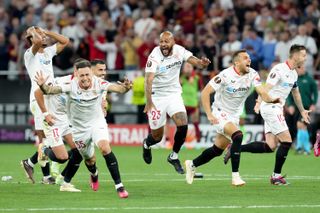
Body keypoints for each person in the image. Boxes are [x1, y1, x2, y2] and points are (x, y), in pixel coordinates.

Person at [35, 60, 132, 198]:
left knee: (105, 148)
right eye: (82, 76)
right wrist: (42, 85)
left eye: (87, 74)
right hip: (79, 130)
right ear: (77, 75)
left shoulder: (99, 83)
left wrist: (126, 88)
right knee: (90, 160)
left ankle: (119, 186)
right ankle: (94, 173)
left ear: (91, 74)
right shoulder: (70, 86)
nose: (85, 78)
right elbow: (49, 90)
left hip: (97, 123)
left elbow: (118, 89)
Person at [184, 49, 280, 185]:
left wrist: (270, 99)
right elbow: (205, 92)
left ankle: (192, 164)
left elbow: (261, 91)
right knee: (238, 136)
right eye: (245, 58)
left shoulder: (252, 74)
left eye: (249, 58)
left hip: (234, 115)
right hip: (219, 111)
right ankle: (235, 176)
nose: (249, 60)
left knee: (217, 150)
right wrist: (209, 115)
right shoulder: (224, 75)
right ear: (237, 62)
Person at [224, 45, 311, 185]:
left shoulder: (294, 73)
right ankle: (276, 176)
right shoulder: (279, 70)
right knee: (287, 141)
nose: (305, 58)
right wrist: (258, 103)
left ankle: (236, 147)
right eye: (303, 55)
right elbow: (265, 88)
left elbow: (296, 93)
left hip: (275, 108)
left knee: (270, 146)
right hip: (271, 107)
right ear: (295, 56)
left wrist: (302, 110)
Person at [142, 30, 211, 174]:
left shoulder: (179, 50)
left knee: (183, 124)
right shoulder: (154, 56)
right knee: (157, 137)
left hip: (173, 94)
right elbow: (148, 80)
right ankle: (147, 144)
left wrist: (202, 63)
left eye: (166, 41)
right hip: (157, 97)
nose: (163, 45)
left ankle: (174, 156)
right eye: (161, 42)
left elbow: (194, 61)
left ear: (173, 42)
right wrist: (148, 102)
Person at [21, 26, 69, 184]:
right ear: (31, 39)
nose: (43, 36)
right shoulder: (29, 55)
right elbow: (36, 41)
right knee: (44, 138)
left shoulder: (48, 52)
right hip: (37, 99)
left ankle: (30, 163)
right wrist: (33, 31)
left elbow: (65, 41)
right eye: (38, 35)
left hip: (51, 96)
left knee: (48, 139)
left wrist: (46, 31)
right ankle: (46, 175)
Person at [286, 65, 318, 155]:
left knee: (300, 124)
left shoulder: (309, 79)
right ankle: (304, 148)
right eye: (298, 68)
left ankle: (302, 147)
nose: (300, 70)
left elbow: (315, 92)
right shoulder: (294, 79)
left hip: (306, 107)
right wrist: (290, 105)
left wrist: (313, 103)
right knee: (301, 126)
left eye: (302, 68)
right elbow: (289, 93)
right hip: (296, 107)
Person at [180, 62, 203, 142]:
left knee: (195, 122)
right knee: (182, 124)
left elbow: (201, 90)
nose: (188, 68)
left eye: (190, 67)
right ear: (183, 69)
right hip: (183, 104)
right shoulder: (180, 78)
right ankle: (182, 140)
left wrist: (200, 101)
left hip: (193, 103)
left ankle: (198, 139)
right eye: (187, 66)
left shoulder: (197, 78)